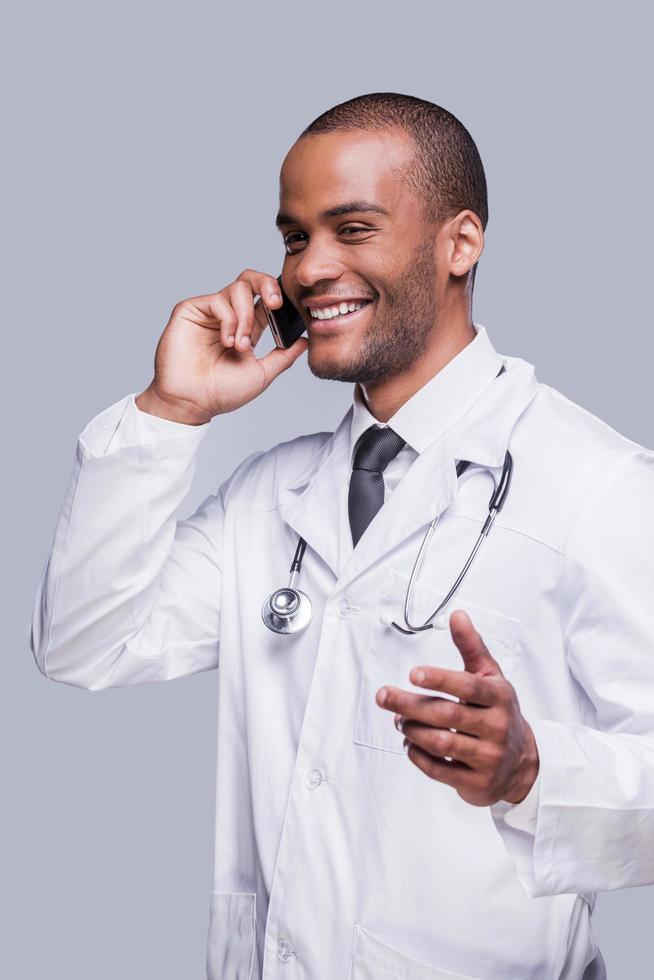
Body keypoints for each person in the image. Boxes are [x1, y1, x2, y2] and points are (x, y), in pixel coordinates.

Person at [29, 92, 654, 980]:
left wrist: (532, 771)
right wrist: (173, 409)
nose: (310, 268)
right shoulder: (269, 494)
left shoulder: (599, 487)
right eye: (294, 236)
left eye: (352, 228)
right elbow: (83, 644)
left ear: (460, 243)